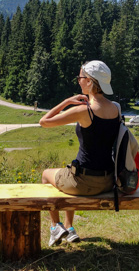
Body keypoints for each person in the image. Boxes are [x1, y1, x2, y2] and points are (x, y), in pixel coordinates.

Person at [40, 60, 119, 246]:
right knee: (71, 170)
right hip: (108, 181)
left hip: (84, 183)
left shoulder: (84, 111)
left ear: (90, 82)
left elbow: (44, 121)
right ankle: (70, 228)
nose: (79, 81)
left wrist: (67, 102)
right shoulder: (115, 108)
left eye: (81, 77)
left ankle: (55, 227)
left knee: (46, 175)